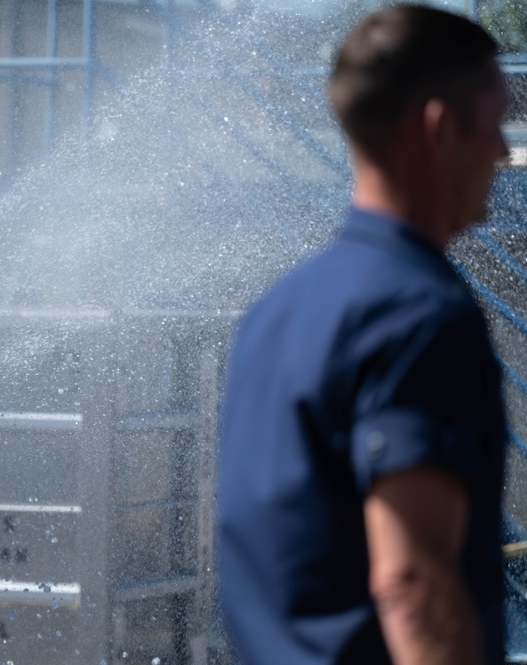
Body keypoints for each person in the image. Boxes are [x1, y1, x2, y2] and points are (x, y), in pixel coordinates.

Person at [216, 5, 510, 665]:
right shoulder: (415, 315)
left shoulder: (275, 311)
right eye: (494, 124)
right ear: (438, 128)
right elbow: (412, 583)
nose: (504, 151)